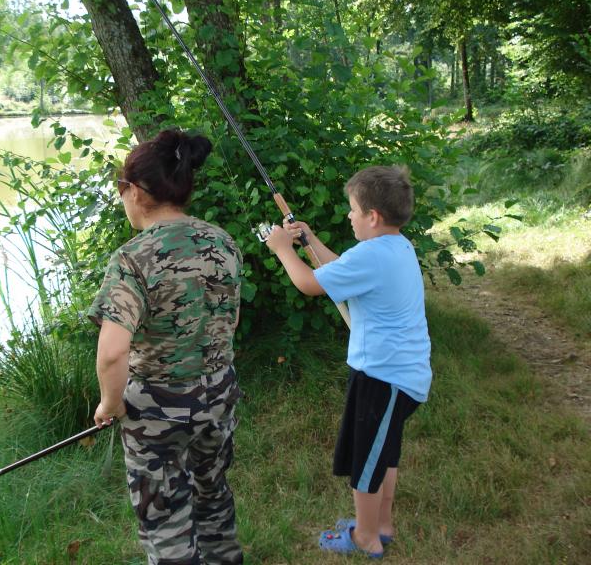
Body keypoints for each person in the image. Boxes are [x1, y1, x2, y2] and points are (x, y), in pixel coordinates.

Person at [87, 128, 244, 564]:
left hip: (157, 406)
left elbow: (114, 350)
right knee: (213, 492)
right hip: (219, 395)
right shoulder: (223, 243)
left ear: (136, 191)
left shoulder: (133, 258)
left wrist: (110, 403)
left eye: (121, 188)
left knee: (164, 514)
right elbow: (230, 319)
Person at [264, 165, 431, 559]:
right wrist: (310, 239)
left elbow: (309, 284)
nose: (349, 215)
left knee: (366, 463)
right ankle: (381, 525)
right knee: (384, 453)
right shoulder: (393, 247)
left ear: (372, 216)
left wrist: (283, 249)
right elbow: (339, 268)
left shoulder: (374, 255)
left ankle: (366, 538)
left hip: (383, 377)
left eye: (353, 210)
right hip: (399, 375)